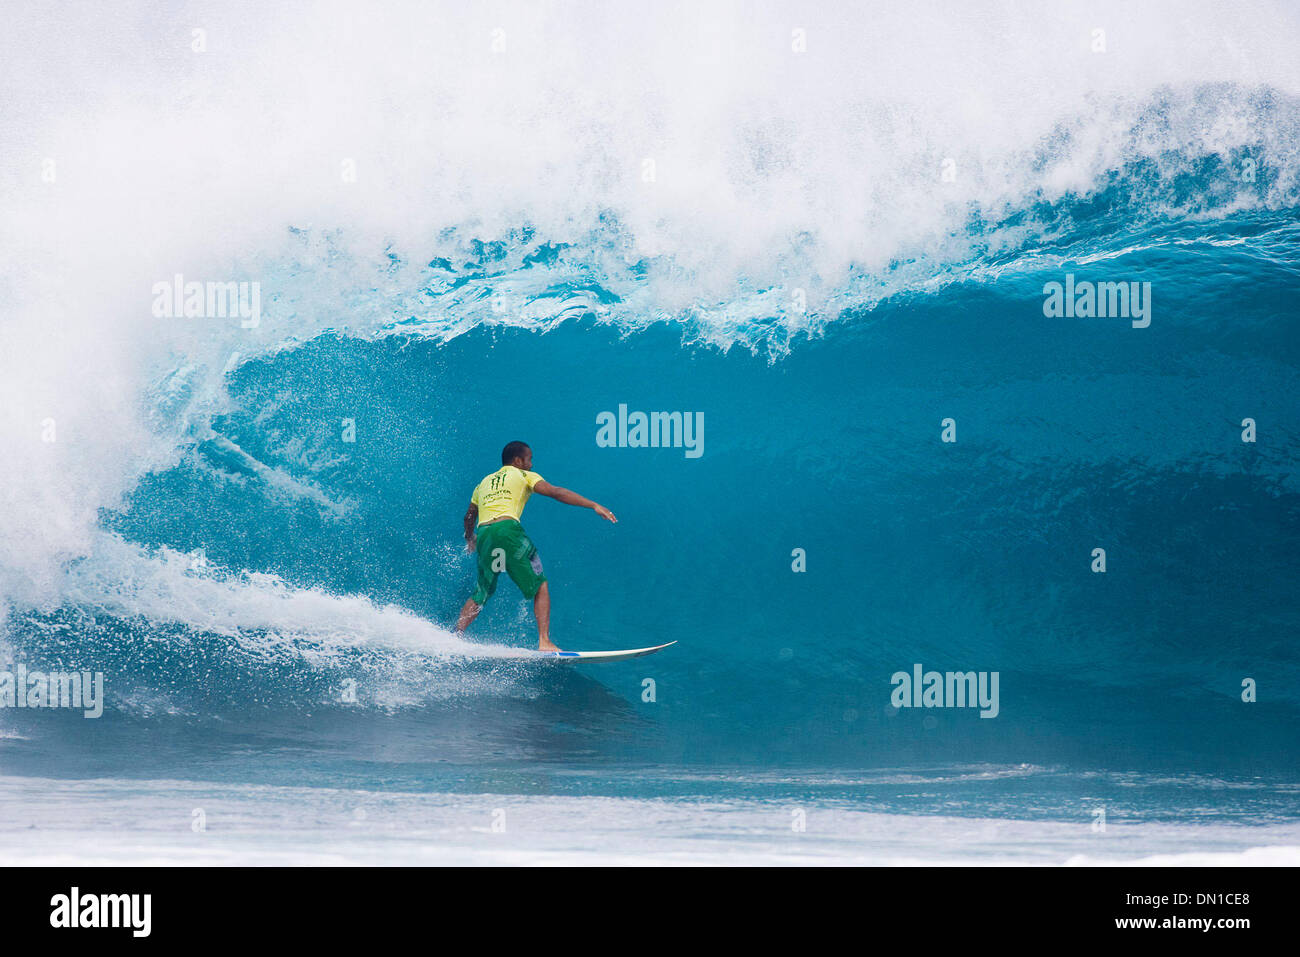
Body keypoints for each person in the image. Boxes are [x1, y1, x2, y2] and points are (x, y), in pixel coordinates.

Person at [455, 441, 617, 651]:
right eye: (529, 459)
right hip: (508, 531)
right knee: (540, 584)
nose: (531, 464)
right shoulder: (524, 475)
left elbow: (469, 516)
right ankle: (544, 641)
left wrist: (470, 538)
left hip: (485, 533)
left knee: (482, 591)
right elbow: (556, 492)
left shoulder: (483, 483)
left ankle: (456, 636)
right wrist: (593, 505)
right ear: (518, 461)